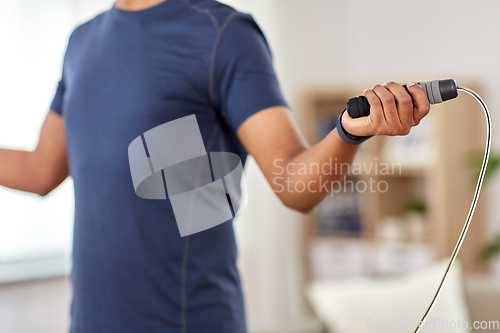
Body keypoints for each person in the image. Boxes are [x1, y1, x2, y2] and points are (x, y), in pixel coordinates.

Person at [0, 0, 431, 332]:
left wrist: (348, 132)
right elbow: (40, 171)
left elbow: (293, 184)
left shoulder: (220, 33)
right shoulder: (81, 41)